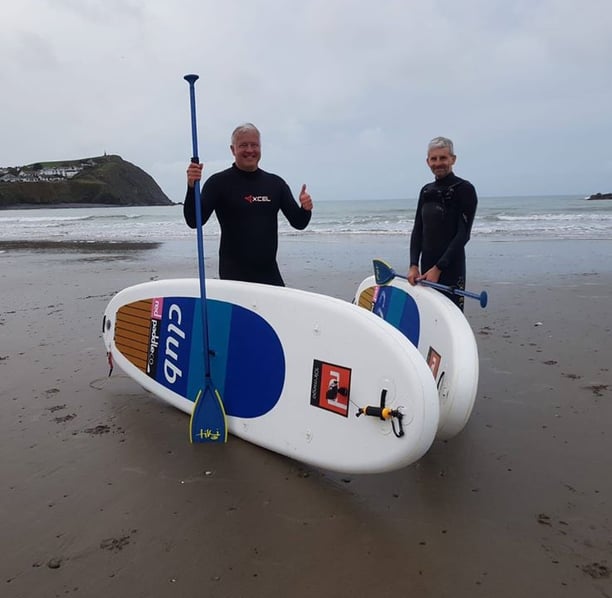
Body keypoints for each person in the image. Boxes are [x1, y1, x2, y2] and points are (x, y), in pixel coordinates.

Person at [183, 123, 313, 286]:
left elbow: (299, 222)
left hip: (270, 275)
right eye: (243, 145)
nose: (250, 150)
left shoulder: (275, 184)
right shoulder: (218, 183)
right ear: (233, 149)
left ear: (260, 148)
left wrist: (306, 209)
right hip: (234, 277)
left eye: (254, 145)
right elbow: (194, 221)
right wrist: (191, 186)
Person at [408, 136, 478, 311]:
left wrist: (438, 268)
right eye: (434, 158)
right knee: (429, 315)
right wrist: (413, 265)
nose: (438, 163)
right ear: (427, 162)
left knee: (452, 315)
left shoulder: (464, 189)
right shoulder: (426, 191)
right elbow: (418, 229)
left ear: (453, 159)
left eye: (443, 158)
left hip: (451, 268)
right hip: (425, 268)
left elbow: (464, 235)